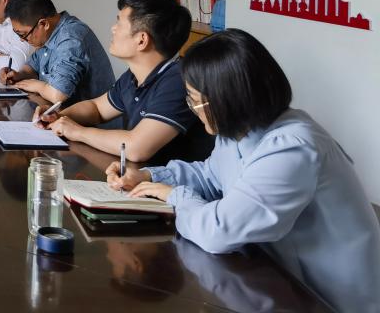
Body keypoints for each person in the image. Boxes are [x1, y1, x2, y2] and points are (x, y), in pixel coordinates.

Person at [106, 29, 380, 313]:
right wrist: (150, 176)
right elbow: (210, 176)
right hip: (278, 282)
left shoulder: (291, 148)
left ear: (227, 98)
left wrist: (176, 196)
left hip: (329, 301)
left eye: (195, 101)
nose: (194, 110)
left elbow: (218, 232)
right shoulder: (238, 129)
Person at [35, 0, 212, 163]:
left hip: (168, 180)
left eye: (119, 23)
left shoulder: (177, 81)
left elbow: (137, 148)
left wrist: (77, 132)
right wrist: (58, 116)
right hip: (139, 175)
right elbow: (97, 109)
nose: (113, 29)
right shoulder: (134, 76)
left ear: (141, 40)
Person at [0, 0, 114, 106]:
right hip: (61, 111)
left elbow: (58, 95)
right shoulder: (50, 33)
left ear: (44, 24)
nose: (22, 40)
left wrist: (37, 86)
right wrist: (19, 75)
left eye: (23, 34)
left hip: (91, 117)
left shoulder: (70, 38)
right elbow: (34, 65)